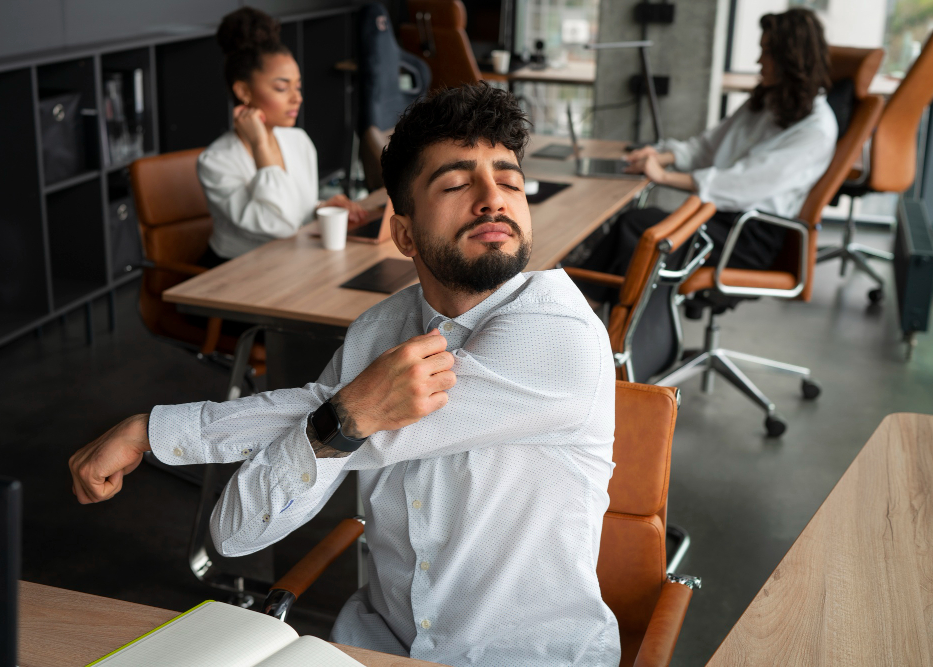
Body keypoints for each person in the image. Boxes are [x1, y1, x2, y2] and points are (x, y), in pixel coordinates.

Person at [69, 84, 620, 666]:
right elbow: (235, 534)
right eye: (458, 184)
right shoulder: (380, 329)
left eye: (509, 181)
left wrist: (157, 431)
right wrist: (340, 416)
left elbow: (338, 414)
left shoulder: (559, 334)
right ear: (403, 233)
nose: (492, 199)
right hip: (378, 644)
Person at [576, 7, 837, 301]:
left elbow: (741, 185)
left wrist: (664, 177)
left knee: (636, 227)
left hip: (747, 235)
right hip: (718, 220)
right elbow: (706, 147)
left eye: (767, 53)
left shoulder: (816, 128)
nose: (758, 61)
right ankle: (589, 310)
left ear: (791, 59)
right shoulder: (768, 102)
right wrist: (663, 156)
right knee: (634, 226)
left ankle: (584, 312)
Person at [198, 8, 366, 266]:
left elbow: (291, 212)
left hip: (292, 263)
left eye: (297, 86)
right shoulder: (216, 161)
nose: (296, 97)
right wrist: (259, 145)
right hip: (236, 274)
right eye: (281, 87)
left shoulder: (297, 140)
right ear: (243, 90)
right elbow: (280, 225)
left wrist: (318, 208)